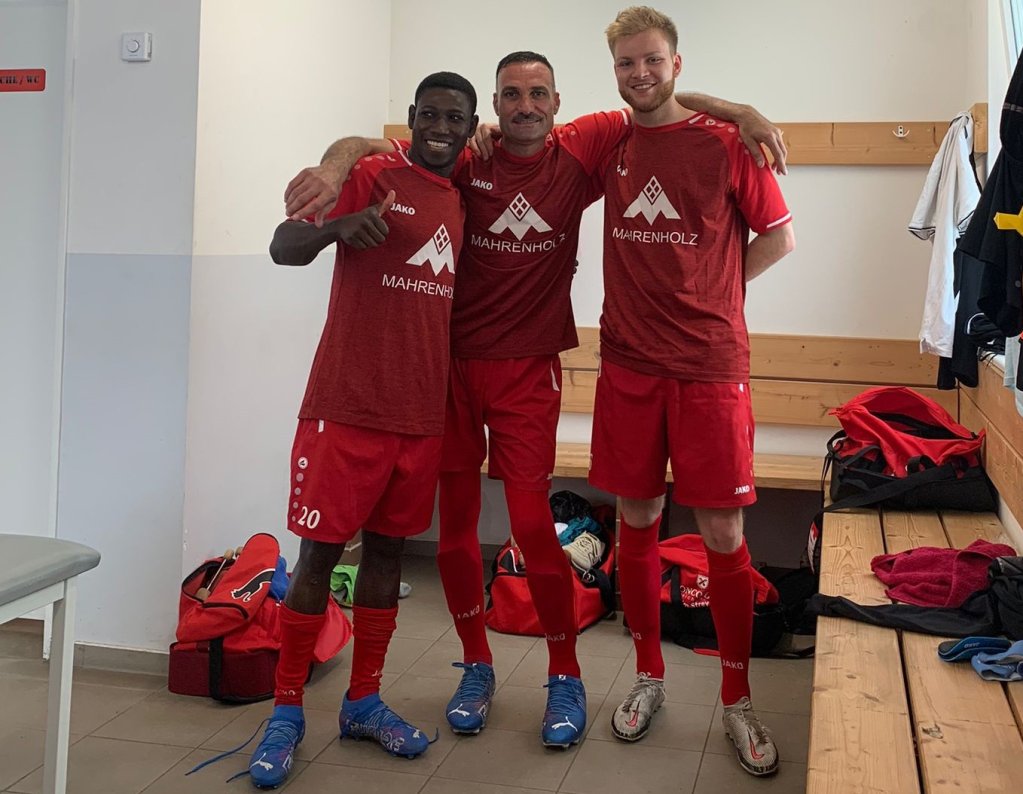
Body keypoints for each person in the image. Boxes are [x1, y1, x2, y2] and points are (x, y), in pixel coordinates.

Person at [283, 53, 787, 750]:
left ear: (557, 103)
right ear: (494, 105)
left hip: (528, 371)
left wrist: (739, 111)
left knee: (527, 521)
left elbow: (655, 95)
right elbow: (373, 148)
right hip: (451, 369)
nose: (525, 105)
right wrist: (336, 167)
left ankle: (564, 675)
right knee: (455, 525)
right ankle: (477, 667)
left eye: (538, 94)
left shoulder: (584, 151)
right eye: (511, 95)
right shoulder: (464, 157)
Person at [247, 72, 478, 790]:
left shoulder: (462, 190)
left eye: (455, 119)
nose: (442, 127)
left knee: (385, 558)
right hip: (344, 409)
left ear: (470, 130)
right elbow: (284, 246)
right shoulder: (373, 173)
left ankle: (363, 701)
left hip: (418, 416)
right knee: (317, 557)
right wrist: (336, 228)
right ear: (410, 119)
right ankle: (286, 712)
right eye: (430, 115)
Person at [591, 7, 795, 777]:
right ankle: (648, 678)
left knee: (722, 535)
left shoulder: (726, 145)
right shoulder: (609, 139)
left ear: (677, 64)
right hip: (629, 367)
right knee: (636, 519)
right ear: (613, 71)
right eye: (624, 64)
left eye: (651, 61)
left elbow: (779, 237)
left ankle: (737, 700)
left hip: (710, 366)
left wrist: (717, 291)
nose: (638, 74)